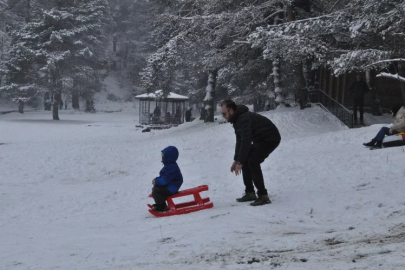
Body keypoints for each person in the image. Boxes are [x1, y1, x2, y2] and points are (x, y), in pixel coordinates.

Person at [221, 100, 281, 206]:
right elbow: (239, 141)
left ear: (231, 111)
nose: (223, 116)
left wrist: (240, 162)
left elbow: (246, 142)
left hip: (271, 138)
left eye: (224, 113)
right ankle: (250, 192)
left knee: (253, 161)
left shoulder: (243, 119)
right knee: (246, 158)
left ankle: (263, 196)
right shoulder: (237, 119)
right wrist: (236, 160)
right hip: (260, 139)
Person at [151, 146, 183, 212]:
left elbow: (164, 181)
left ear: (168, 157)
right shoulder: (169, 165)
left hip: (172, 187)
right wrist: (157, 179)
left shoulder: (171, 168)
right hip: (170, 185)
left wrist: (156, 181)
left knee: (157, 190)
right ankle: (160, 204)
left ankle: (161, 207)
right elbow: (164, 177)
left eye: (163, 156)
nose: (162, 157)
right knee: (157, 188)